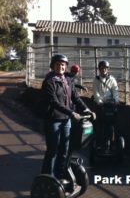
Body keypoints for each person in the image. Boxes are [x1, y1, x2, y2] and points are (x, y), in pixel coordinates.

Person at [41, 54, 96, 182]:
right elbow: (54, 102)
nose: (60, 67)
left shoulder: (67, 80)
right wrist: (71, 113)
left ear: (66, 67)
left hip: (66, 121)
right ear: (53, 66)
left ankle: (60, 174)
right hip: (53, 120)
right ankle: (47, 177)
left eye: (63, 65)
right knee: (53, 150)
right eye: (58, 64)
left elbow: (75, 98)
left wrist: (87, 109)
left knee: (65, 149)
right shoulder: (49, 82)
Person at [92, 60, 119, 151]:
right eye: (101, 68)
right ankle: (100, 142)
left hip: (110, 105)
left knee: (111, 125)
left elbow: (115, 91)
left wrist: (116, 100)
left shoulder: (112, 79)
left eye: (105, 68)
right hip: (100, 105)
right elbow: (95, 93)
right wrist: (99, 102)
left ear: (108, 69)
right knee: (100, 123)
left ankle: (111, 142)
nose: (103, 70)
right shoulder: (96, 80)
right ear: (99, 69)